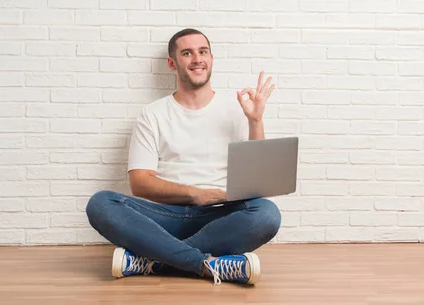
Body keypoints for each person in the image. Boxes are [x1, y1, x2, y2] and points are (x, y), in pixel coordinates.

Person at [85, 28, 282, 286]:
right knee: (100, 204)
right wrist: (195, 194)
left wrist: (255, 120)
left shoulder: (237, 110)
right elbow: (140, 183)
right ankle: (205, 264)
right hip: (165, 217)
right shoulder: (152, 114)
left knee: (267, 214)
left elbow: (258, 182)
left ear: (211, 58)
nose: (197, 59)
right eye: (187, 53)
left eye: (203, 52)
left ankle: (152, 261)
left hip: (219, 216)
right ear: (172, 63)